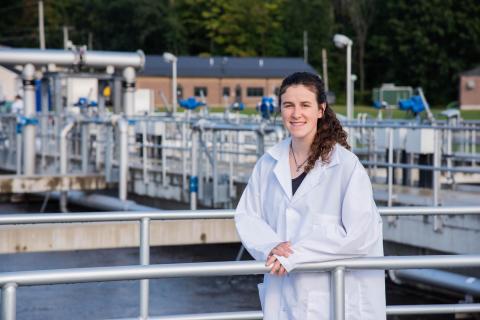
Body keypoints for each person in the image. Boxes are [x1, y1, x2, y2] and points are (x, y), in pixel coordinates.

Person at [235, 72, 386, 320]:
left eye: (305, 105)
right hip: (282, 293)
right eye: (288, 105)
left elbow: (360, 234)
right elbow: (247, 215)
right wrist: (270, 246)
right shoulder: (268, 163)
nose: (296, 114)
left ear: (320, 109)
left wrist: (294, 256)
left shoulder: (345, 166)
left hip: (332, 299)